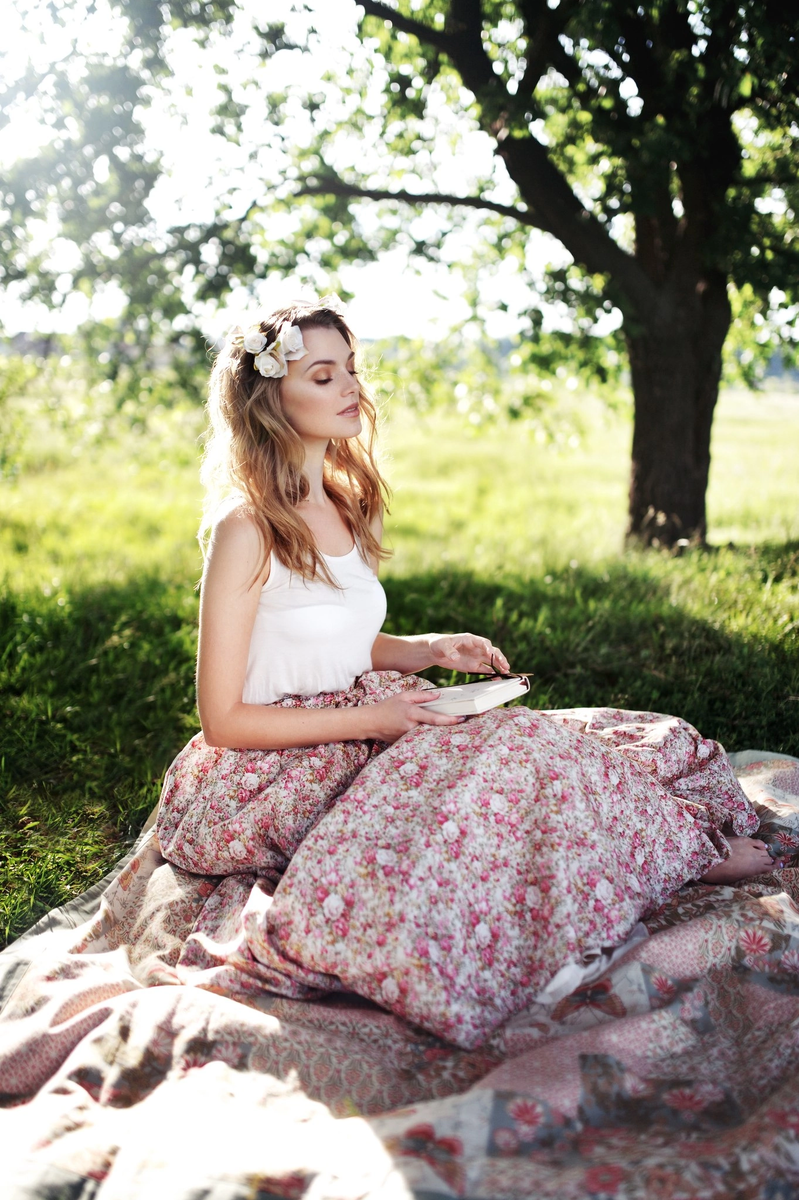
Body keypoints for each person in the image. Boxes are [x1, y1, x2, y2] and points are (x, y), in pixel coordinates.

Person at [156, 297, 785, 910]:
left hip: (369, 721)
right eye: (323, 375)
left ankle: (669, 841)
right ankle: (681, 853)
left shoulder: (351, 504)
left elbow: (329, 644)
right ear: (271, 401)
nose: (351, 386)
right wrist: (375, 721)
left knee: (562, 746)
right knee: (504, 778)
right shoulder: (248, 529)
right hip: (275, 769)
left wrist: (427, 650)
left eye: (350, 367)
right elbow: (224, 720)